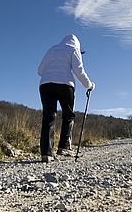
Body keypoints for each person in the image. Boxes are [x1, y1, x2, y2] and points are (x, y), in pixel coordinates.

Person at [38, 34, 95, 163]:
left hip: (46, 84)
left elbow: (40, 70)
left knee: (49, 116)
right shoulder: (73, 49)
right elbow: (78, 70)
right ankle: (64, 147)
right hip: (65, 85)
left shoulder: (51, 49)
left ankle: (46, 153)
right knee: (68, 115)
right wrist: (89, 85)